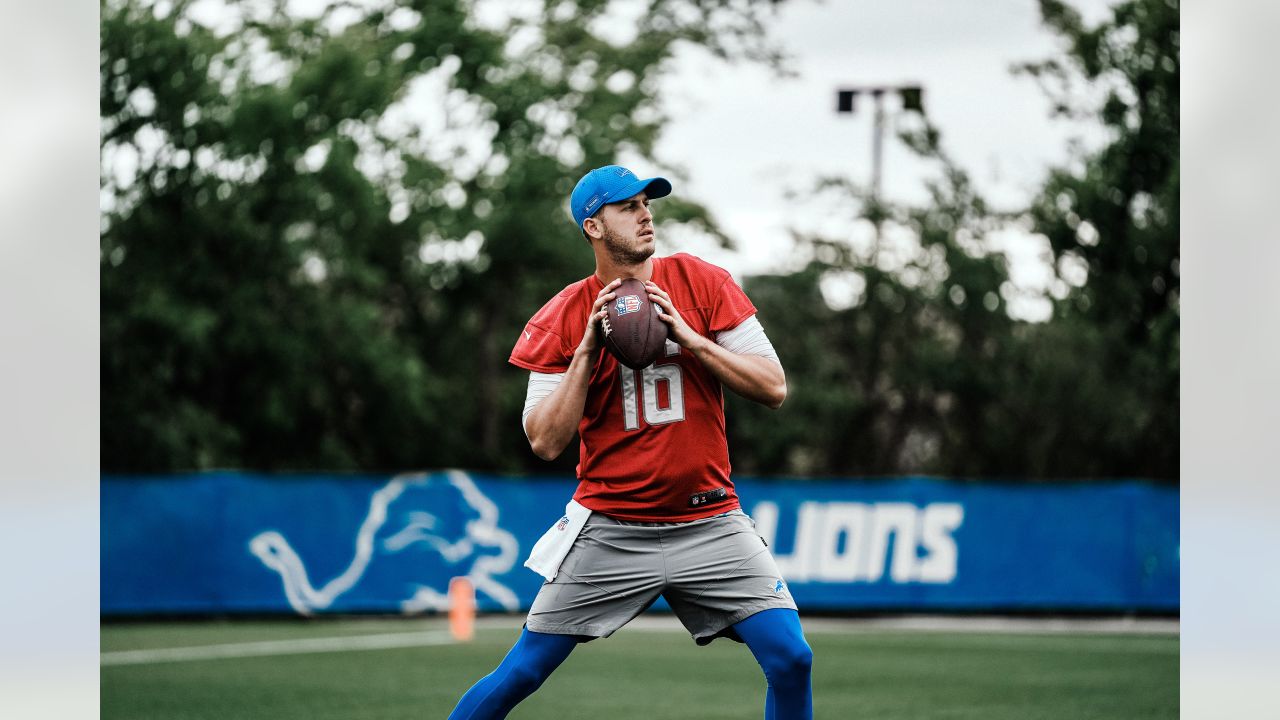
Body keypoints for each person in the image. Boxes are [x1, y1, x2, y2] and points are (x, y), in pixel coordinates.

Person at [448, 166, 813, 719]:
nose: (645, 214)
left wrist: (690, 339)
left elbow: (774, 386)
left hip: (708, 521)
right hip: (612, 526)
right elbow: (544, 441)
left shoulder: (702, 282)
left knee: (792, 659)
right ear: (593, 226)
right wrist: (588, 350)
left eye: (647, 203)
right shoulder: (563, 316)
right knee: (522, 672)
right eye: (628, 206)